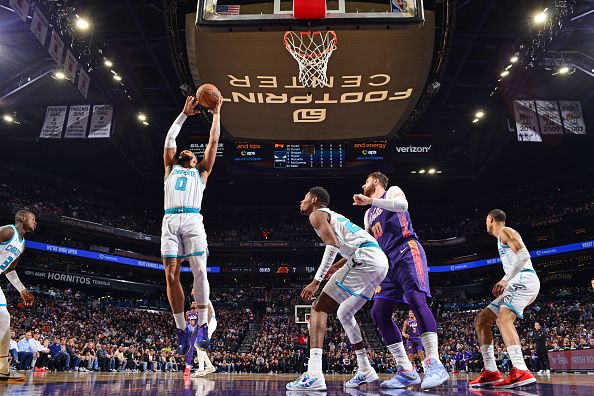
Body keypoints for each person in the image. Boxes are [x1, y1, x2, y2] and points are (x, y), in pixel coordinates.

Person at [286, 187, 389, 391]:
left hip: (365, 259)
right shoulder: (334, 216)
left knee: (318, 308)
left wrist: (316, 281)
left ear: (314, 200)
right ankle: (365, 368)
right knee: (344, 312)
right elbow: (350, 244)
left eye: (305, 197)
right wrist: (336, 266)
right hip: (378, 261)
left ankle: (314, 373)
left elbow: (332, 244)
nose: (301, 201)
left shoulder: (317, 214)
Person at [352, 172, 448, 390]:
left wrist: (370, 200)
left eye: (366, 180)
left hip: (405, 249)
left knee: (415, 298)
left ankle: (434, 363)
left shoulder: (391, 191)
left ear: (376, 181)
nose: (363, 184)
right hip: (385, 263)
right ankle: (406, 370)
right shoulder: (368, 215)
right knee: (378, 312)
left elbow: (402, 206)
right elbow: (368, 242)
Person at [161, 95, 222, 357]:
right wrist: (184, 114)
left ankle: (204, 327)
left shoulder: (202, 172)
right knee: (171, 274)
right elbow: (169, 140)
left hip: (193, 219)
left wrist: (217, 113)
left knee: (199, 271)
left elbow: (213, 141)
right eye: (183, 151)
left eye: (191, 153)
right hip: (170, 219)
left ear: (196, 161)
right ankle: (182, 329)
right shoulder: (169, 168)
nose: (186, 150)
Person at [470, 209, 540, 388]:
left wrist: (505, 279)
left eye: (486, 221)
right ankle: (491, 371)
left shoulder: (506, 231)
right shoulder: (500, 239)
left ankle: (521, 370)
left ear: (491, 219)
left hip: (524, 278)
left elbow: (524, 256)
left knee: (503, 319)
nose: (486, 224)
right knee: (482, 320)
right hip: (516, 282)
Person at [0, 210, 36, 381]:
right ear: (22, 218)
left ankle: (2, 368)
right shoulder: (8, 231)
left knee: (4, 318)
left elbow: (10, 269)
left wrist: (22, 289)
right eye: (33, 219)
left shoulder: (22, 244)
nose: (35, 222)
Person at [192, 300, 217, 377]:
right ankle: (209, 367)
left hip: (210, 322)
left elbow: (210, 313)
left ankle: (201, 369)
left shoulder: (203, 298)